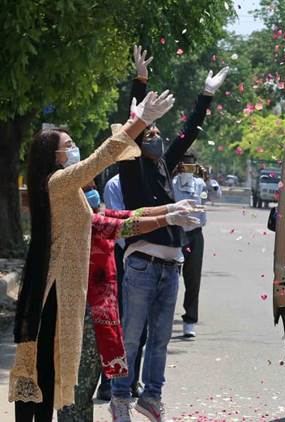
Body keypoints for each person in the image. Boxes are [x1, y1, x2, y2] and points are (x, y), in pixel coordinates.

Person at [9, 90, 174, 421]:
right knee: (43, 372)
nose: (73, 150)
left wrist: (167, 213)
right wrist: (137, 121)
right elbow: (103, 157)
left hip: (61, 290)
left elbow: (107, 222)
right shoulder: (59, 182)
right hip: (53, 291)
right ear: (53, 155)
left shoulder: (66, 188)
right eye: (68, 146)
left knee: (48, 373)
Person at [109, 46, 228, 422]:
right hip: (142, 265)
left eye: (158, 133)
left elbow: (189, 130)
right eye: (151, 133)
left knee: (159, 339)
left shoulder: (163, 164)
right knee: (132, 338)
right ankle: (119, 398)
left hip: (170, 266)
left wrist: (206, 95)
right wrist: (140, 84)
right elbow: (133, 123)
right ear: (139, 139)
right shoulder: (130, 166)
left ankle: (152, 397)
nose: (157, 137)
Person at [58, 183, 199, 421]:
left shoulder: (96, 216)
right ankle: (117, 399)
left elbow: (132, 214)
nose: (94, 196)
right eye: (86, 192)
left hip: (99, 305)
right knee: (83, 379)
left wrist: (169, 209)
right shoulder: (85, 221)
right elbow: (126, 225)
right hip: (79, 307)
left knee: (154, 340)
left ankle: (144, 397)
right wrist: (168, 218)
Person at [97, 173, 148, 401]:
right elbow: (118, 226)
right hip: (122, 255)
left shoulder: (150, 179)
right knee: (115, 319)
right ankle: (108, 381)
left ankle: (132, 378)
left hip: (147, 256)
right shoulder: (115, 184)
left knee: (140, 322)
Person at [171, 152, 208, 338]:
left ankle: (190, 320)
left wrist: (207, 178)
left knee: (193, 278)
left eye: (191, 166)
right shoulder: (172, 182)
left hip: (195, 234)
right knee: (171, 276)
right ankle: (166, 315)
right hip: (176, 233)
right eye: (185, 165)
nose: (188, 169)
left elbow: (214, 195)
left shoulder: (200, 184)